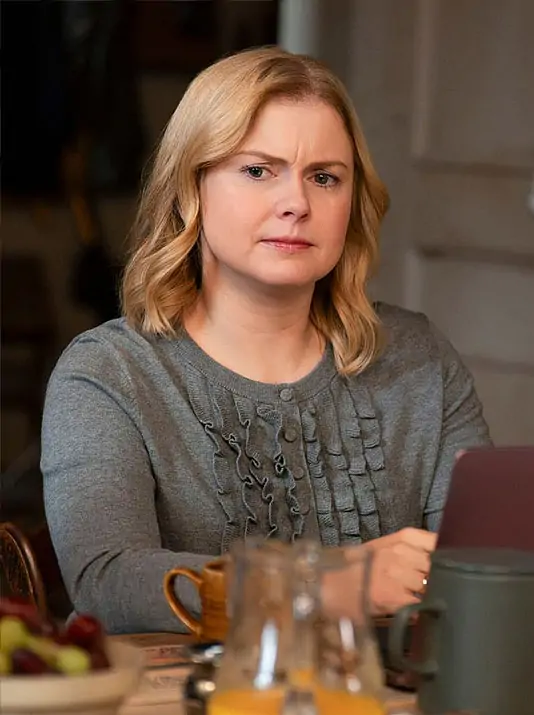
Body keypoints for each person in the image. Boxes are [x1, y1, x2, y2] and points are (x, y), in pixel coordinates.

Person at [41, 47, 491, 634]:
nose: (297, 204)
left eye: (325, 178)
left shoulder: (418, 357)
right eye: (258, 171)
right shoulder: (108, 374)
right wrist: (326, 585)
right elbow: (108, 582)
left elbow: (485, 569)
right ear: (191, 187)